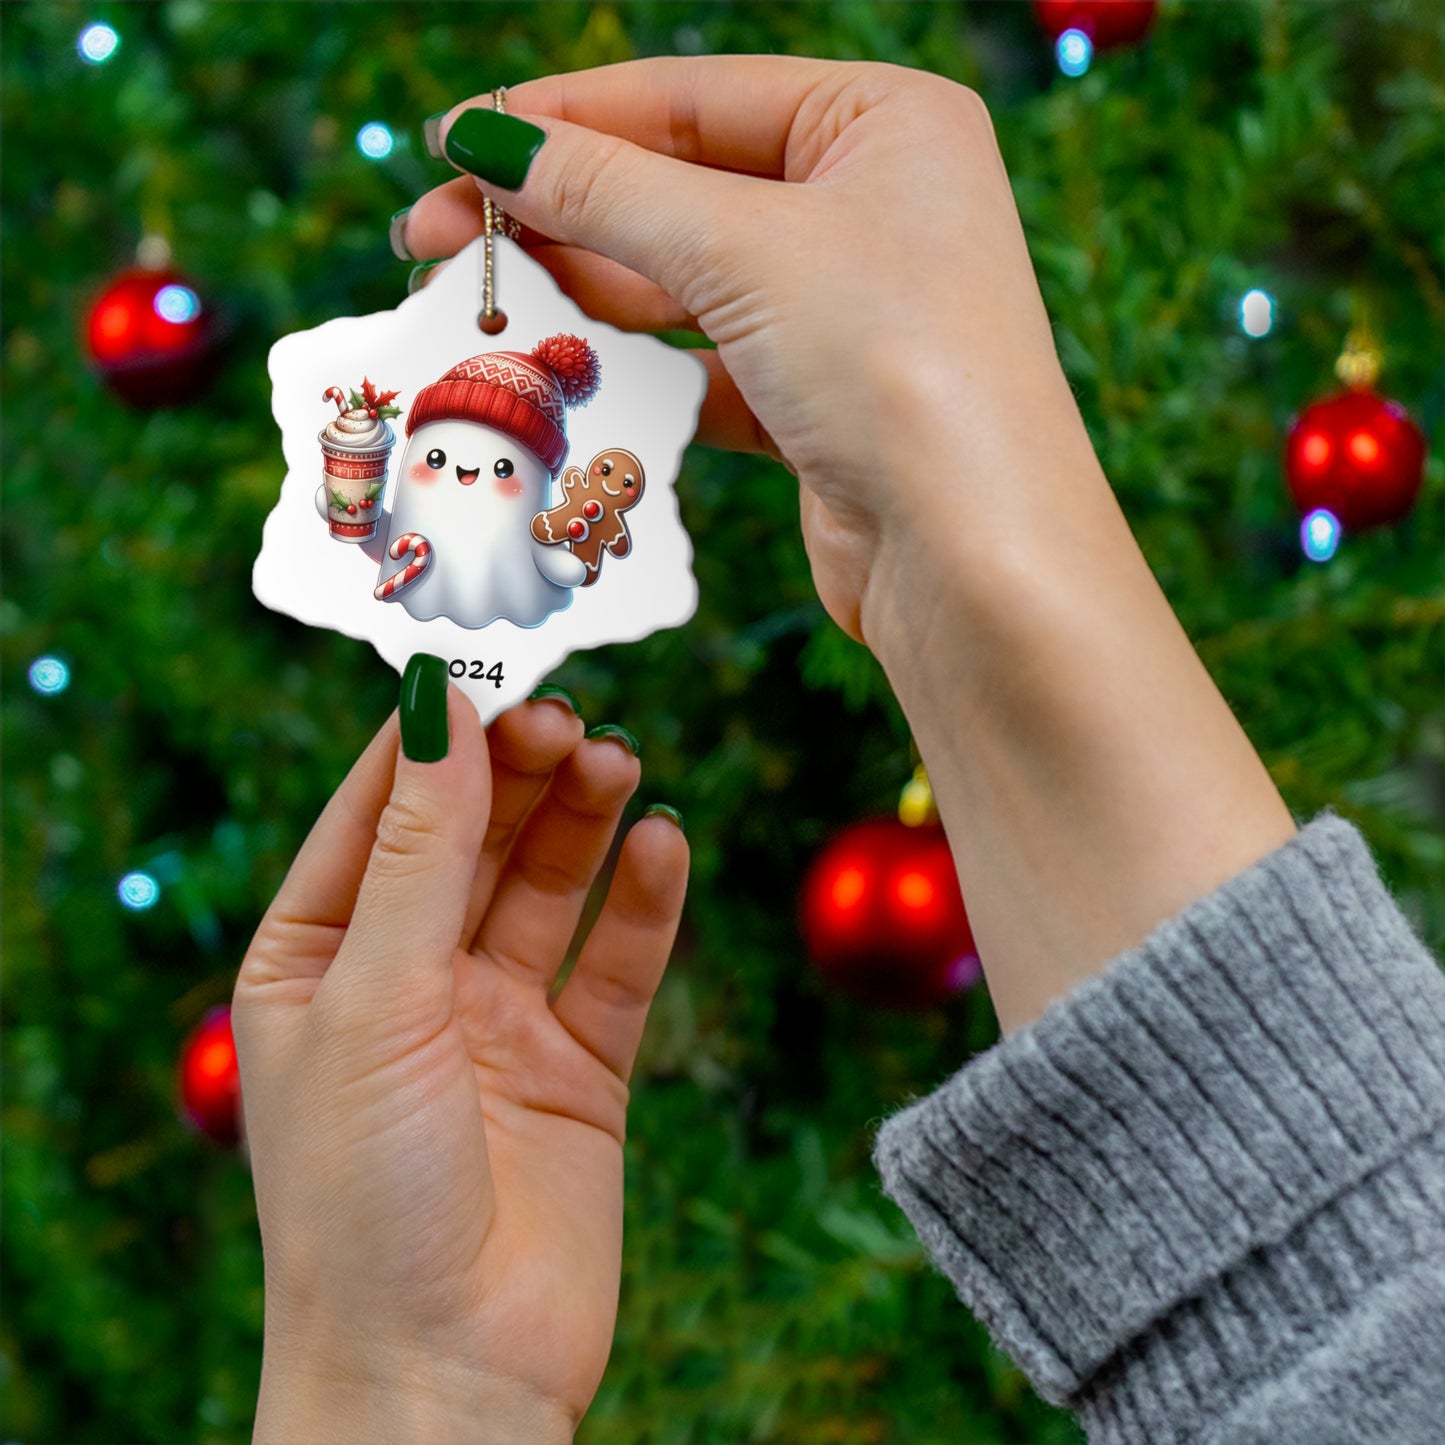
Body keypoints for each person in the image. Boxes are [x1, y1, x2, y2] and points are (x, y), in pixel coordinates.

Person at [232, 56, 1445, 1444]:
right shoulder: (406, 523)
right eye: (440, 462)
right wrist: (413, 1386)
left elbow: (581, 527)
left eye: (483, 466)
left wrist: (394, 1390)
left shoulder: (551, 527)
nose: (452, 484)